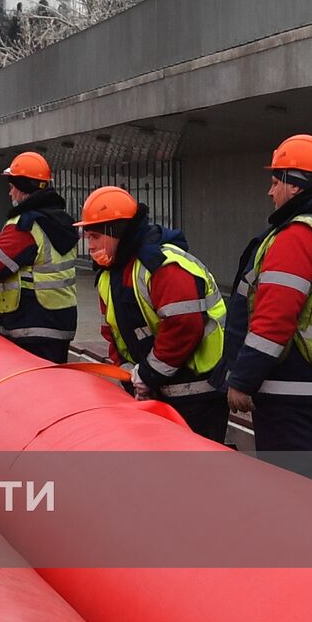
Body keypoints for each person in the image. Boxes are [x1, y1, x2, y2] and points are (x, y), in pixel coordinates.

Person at [224, 134, 312, 481]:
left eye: (275, 180)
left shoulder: (298, 235)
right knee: (308, 483)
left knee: (290, 491)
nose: (270, 191)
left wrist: (243, 379)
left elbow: (274, 318)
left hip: (289, 389)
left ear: (295, 185)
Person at [74, 186, 229, 441]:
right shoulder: (110, 275)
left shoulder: (163, 266)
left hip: (198, 393)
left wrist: (147, 375)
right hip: (159, 389)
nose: (89, 246)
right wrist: (130, 375)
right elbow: (114, 334)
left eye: (94, 237)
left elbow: (184, 327)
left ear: (116, 232)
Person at [0, 151, 79, 363]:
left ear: (23, 187)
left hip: (27, 324)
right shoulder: (63, 222)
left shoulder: (25, 226)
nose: (10, 194)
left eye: (12, 187)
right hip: (59, 322)